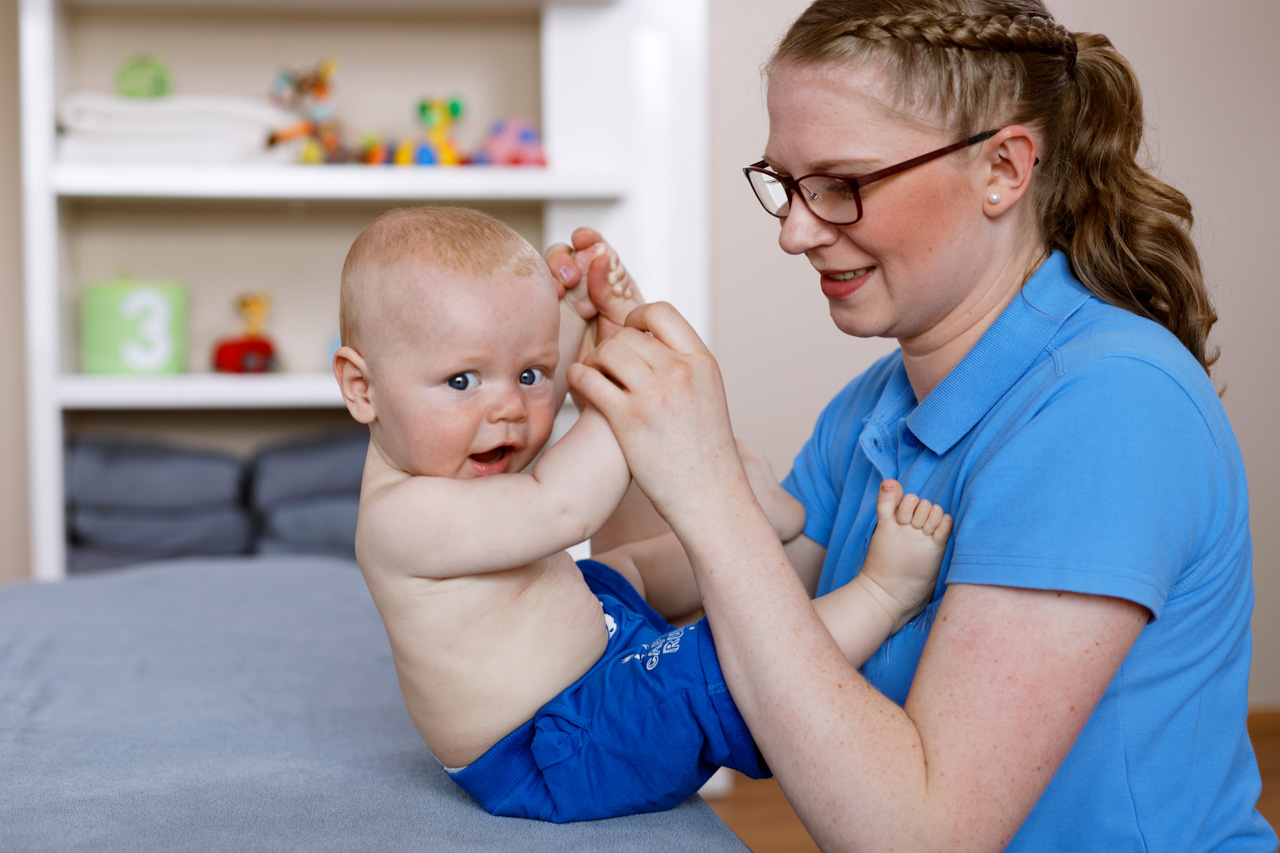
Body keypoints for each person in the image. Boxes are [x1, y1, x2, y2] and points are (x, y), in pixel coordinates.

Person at [554, 1, 1278, 849]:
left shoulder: (1112, 407)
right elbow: (709, 615)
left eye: (841, 185)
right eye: (786, 185)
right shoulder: (877, 403)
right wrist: (618, 400)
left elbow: (921, 833)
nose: (794, 231)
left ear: (1002, 169)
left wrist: (711, 487)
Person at [331, 205, 954, 823]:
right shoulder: (401, 519)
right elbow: (563, 504)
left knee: (629, 569)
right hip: (554, 745)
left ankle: (751, 523)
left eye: (529, 373)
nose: (510, 410)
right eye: (463, 381)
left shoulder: (449, 457)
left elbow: (544, 446)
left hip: (591, 647)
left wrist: (582, 324)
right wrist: (631, 385)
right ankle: (882, 592)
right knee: (730, 665)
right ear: (363, 389)